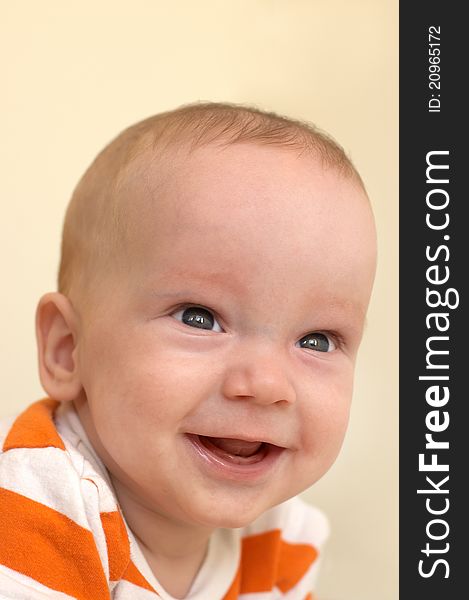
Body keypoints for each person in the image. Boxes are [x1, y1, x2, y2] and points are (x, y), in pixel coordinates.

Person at [0, 102, 377, 599]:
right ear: (68, 349)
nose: (266, 385)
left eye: (317, 340)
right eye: (199, 317)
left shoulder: (287, 540)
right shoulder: (34, 508)